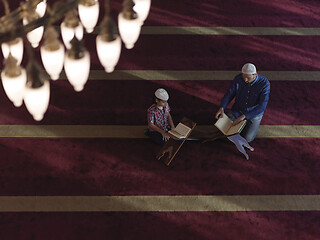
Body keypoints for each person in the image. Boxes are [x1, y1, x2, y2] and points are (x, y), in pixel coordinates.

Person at [215, 63, 270, 142]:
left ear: (255, 74)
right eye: (243, 77)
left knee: (247, 139)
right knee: (224, 130)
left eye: (248, 78)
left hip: (253, 114)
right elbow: (229, 94)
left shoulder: (264, 84)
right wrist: (222, 107)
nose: (245, 80)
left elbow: (262, 107)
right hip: (237, 110)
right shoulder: (238, 78)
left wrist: (244, 116)